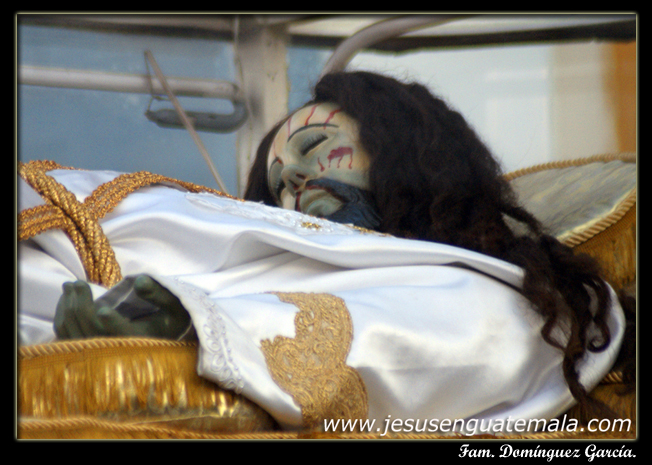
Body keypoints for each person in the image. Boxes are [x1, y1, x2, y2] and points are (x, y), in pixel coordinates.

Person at [19, 71, 628, 431]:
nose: (292, 180)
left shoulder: (504, 302)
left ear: (405, 154)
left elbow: (400, 345)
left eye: (315, 148)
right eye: (277, 181)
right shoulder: (273, 247)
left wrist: (185, 320)